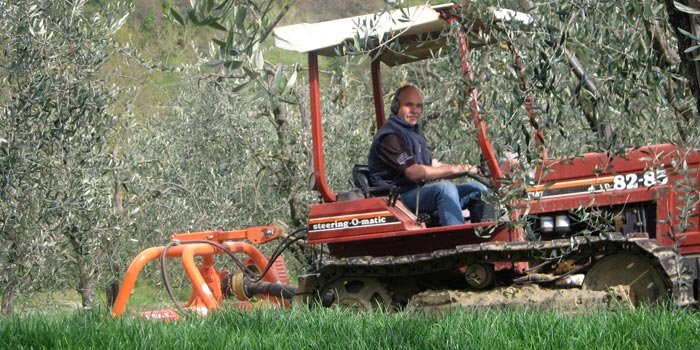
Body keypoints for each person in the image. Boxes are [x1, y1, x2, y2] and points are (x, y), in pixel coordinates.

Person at [367, 85, 488, 226]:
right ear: (396, 107)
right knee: (444, 189)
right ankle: (459, 241)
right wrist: (455, 170)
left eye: (418, 106)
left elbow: (432, 163)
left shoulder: (412, 131)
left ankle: (483, 235)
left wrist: (467, 168)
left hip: (417, 192)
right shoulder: (390, 136)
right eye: (409, 105)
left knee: (478, 189)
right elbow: (414, 172)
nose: (414, 110)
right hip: (397, 199)